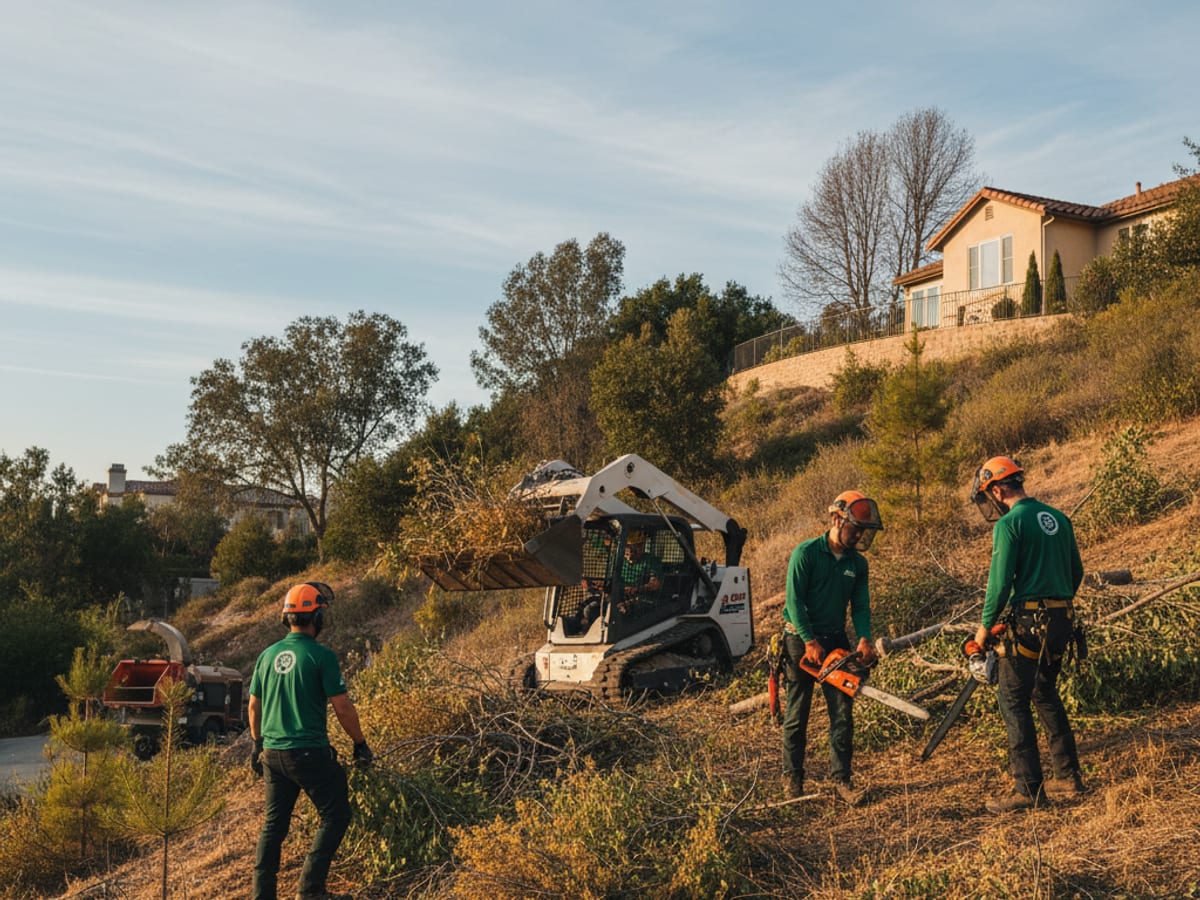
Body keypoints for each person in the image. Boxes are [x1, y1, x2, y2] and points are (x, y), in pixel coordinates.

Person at [971, 456, 1085, 813]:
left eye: (988, 493)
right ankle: (1068, 776)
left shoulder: (1009, 525)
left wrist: (984, 628)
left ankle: (1028, 789)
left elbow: (1000, 582)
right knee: (1045, 690)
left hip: (1031, 622)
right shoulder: (1059, 518)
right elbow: (1076, 572)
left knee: (1012, 698)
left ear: (997, 488)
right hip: (1061, 618)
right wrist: (1055, 600)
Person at [249, 582, 374, 900]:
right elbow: (343, 706)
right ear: (316, 617)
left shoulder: (267, 656)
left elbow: (253, 705)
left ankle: (263, 895)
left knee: (274, 826)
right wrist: (360, 744)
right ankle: (310, 890)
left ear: (286, 618)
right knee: (336, 815)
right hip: (307, 752)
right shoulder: (321, 656)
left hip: (272, 753)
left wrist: (256, 744)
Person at [781, 491, 883, 805]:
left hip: (836, 639)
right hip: (801, 639)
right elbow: (793, 602)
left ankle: (842, 779)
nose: (859, 536)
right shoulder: (806, 553)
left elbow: (861, 606)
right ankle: (792, 778)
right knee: (798, 712)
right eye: (855, 528)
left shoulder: (858, 564)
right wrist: (809, 641)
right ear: (837, 519)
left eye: (863, 531)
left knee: (842, 712)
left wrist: (864, 637)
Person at [617, 530, 663, 615]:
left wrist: (636, 589)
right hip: (619, 597)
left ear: (641, 547)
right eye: (627, 553)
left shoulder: (651, 561)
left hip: (643, 599)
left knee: (620, 609)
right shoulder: (618, 560)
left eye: (634, 551)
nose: (630, 557)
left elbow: (655, 584)